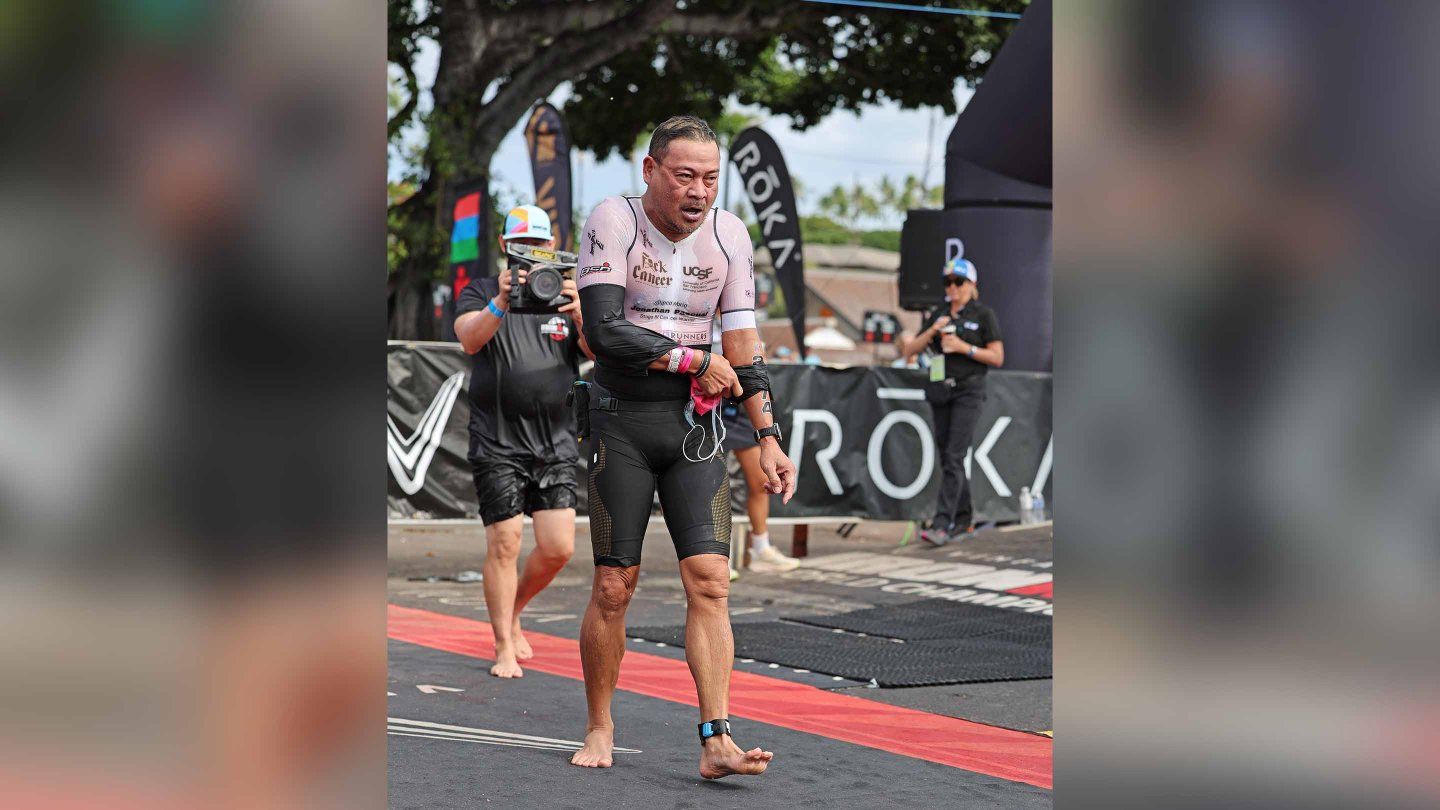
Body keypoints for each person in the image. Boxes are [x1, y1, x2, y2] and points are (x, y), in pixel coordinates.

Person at [569, 115, 797, 779]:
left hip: (697, 430)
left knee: (712, 583)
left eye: (711, 178)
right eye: (685, 175)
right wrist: (691, 363)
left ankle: (716, 739)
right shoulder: (613, 219)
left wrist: (769, 434)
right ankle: (600, 723)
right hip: (622, 419)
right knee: (615, 585)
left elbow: (744, 350)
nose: (699, 191)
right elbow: (607, 331)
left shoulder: (730, 236)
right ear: (651, 172)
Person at [452, 205, 594, 678]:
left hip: (554, 440)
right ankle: (502, 646)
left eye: (539, 249)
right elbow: (469, 340)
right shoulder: (481, 291)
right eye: (522, 249)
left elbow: (596, 353)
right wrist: (501, 301)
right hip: (498, 440)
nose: (531, 260)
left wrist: (579, 314)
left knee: (558, 548)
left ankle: (514, 611)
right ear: (505, 247)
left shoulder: (563, 295)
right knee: (506, 542)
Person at [900, 257, 1004, 545]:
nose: (953, 287)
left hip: (968, 390)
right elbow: (910, 350)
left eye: (958, 282)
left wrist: (964, 347)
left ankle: (943, 523)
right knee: (948, 457)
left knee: (955, 456)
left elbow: (997, 357)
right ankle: (964, 517)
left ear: (971, 285)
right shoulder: (940, 313)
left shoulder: (983, 315)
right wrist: (933, 331)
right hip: (940, 389)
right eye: (948, 282)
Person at [719, 343, 800, 577]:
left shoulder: (741, 314)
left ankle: (760, 549)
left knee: (761, 480)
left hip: (742, 407)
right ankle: (712, 558)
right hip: (709, 402)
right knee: (711, 486)